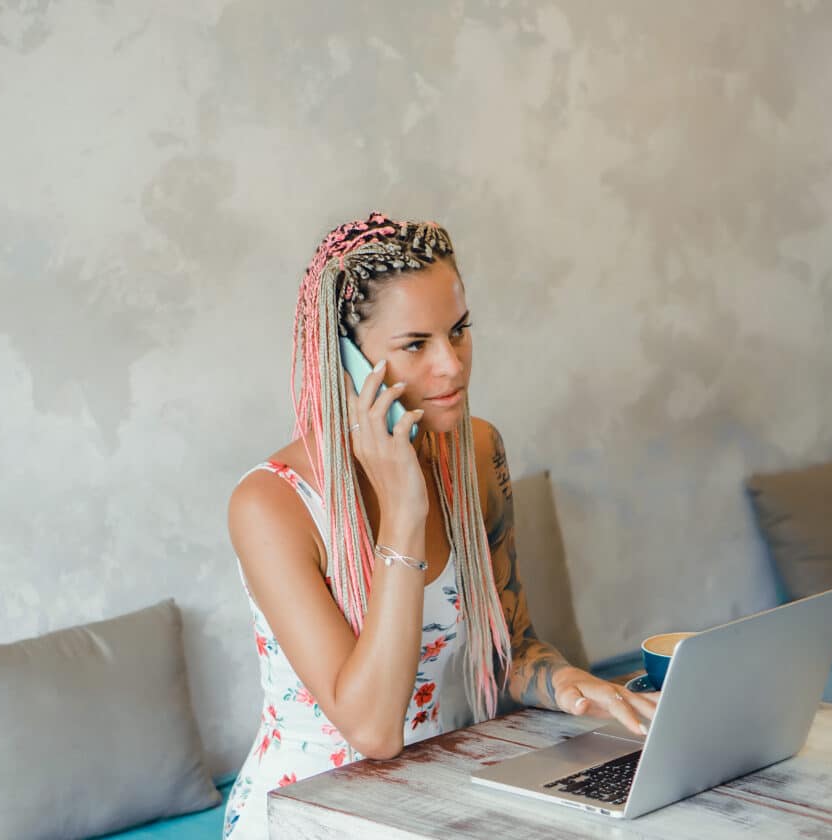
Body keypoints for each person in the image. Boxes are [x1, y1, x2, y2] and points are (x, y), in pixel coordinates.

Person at [222, 212, 656, 837]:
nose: (451, 367)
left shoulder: (477, 453)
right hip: (308, 811)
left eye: (459, 331)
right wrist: (404, 511)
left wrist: (570, 684)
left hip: (431, 793)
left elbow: (509, 643)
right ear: (344, 359)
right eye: (415, 344)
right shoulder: (272, 506)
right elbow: (372, 730)